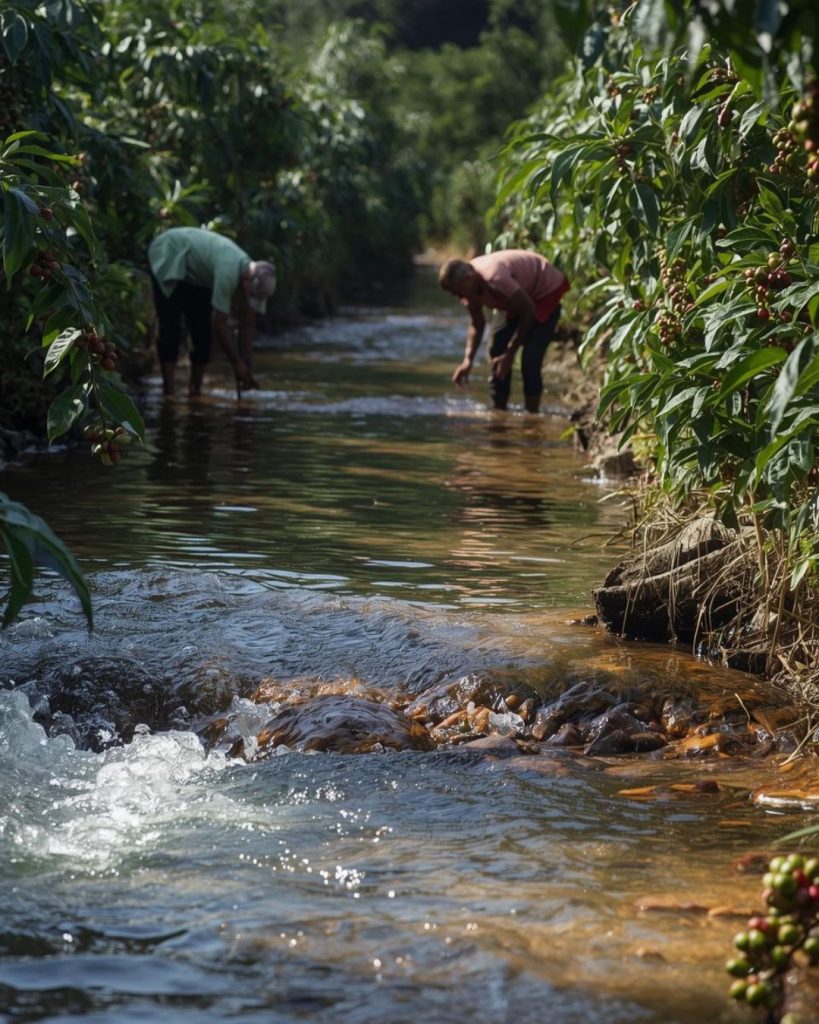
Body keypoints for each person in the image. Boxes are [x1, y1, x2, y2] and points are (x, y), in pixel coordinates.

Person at [147, 226, 277, 398]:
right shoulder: (228, 272)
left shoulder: (256, 280)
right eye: (251, 295)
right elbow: (219, 323)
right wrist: (236, 362)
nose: (250, 299)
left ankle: (195, 393)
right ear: (247, 283)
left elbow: (248, 325)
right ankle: (169, 393)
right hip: (169, 253)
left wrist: (246, 366)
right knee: (170, 328)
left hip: (198, 274)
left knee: (202, 333)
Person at [439, 249, 569, 413]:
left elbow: (528, 310)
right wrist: (468, 361)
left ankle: (532, 416)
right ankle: (499, 411)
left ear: (469, 278)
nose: (460, 298)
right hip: (517, 295)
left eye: (459, 292)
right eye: (455, 295)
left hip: (545, 290)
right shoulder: (470, 288)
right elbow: (477, 324)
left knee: (530, 359)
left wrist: (510, 353)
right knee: (496, 349)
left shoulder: (495, 278)